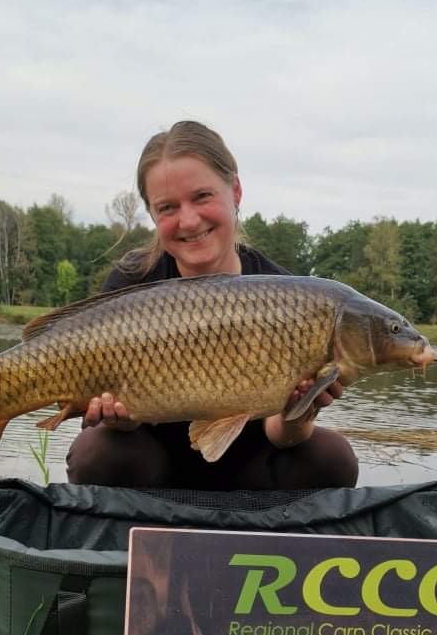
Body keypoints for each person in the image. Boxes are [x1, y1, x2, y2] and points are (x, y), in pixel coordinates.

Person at [66, 120, 358, 491]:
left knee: (331, 457)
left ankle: (259, 542)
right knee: (98, 451)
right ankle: (130, 546)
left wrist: (302, 410)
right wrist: (117, 416)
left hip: (250, 474)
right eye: (168, 207)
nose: (189, 220)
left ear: (234, 190)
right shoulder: (132, 283)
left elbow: (281, 434)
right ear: (153, 216)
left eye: (202, 196)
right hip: (153, 471)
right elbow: (116, 419)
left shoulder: (289, 298)